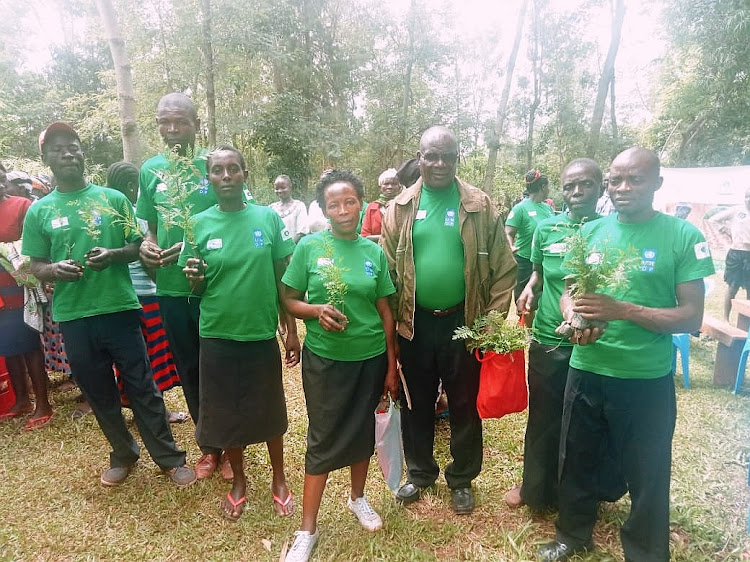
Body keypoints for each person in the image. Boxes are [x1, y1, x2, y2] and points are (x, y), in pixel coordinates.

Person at [537, 147, 715, 562]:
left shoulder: (682, 236)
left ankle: (646, 551)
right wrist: (574, 317)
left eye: (634, 179)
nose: (622, 188)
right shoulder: (590, 233)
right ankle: (572, 534)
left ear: (657, 183)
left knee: (647, 472)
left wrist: (623, 311)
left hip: (645, 378)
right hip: (587, 368)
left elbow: (691, 316)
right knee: (576, 458)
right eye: (616, 179)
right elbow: (568, 292)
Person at [23, 122, 194, 487]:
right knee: (99, 390)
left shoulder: (112, 200)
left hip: (119, 308)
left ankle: (169, 458)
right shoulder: (40, 211)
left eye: (73, 146)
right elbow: (34, 263)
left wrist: (114, 254)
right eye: (57, 149)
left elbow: (138, 246)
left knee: (142, 385)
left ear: (83, 152)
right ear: (45, 158)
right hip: (74, 315)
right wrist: (53, 269)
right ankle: (123, 453)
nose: (67, 153)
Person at [380, 125, 516, 514]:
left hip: (465, 321)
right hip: (415, 323)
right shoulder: (400, 207)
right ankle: (420, 473)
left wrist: (490, 321)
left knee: (463, 402)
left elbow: (505, 270)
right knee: (415, 401)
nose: (439, 163)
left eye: (448, 156)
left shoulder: (479, 205)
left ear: (458, 159)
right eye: (431, 155)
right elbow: (387, 271)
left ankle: (462, 478)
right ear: (419, 158)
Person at [282, 169, 398, 562]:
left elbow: (385, 311)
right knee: (323, 437)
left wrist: (390, 365)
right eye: (335, 204)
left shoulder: (373, 253)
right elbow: (290, 298)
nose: (344, 210)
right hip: (326, 361)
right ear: (324, 209)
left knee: (362, 429)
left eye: (350, 201)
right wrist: (315, 311)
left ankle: (358, 498)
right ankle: (307, 528)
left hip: (369, 358)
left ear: (361, 203)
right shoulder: (310, 247)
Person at [180, 146, 298, 521]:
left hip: (260, 334)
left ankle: (279, 478)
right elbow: (195, 289)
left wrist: (290, 330)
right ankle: (240, 481)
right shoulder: (197, 225)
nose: (226, 175)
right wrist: (194, 279)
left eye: (233, 168)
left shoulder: (267, 219)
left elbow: (284, 280)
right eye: (218, 170)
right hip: (216, 335)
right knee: (226, 412)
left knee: (270, 409)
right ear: (210, 178)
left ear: (245, 173)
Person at [506, 158, 623, 510]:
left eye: (585, 184)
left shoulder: (614, 230)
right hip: (549, 338)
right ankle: (535, 488)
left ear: (600, 186)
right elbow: (540, 274)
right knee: (544, 417)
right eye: (569, 186)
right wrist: (530, 287)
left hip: (596, 343)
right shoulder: (547, 228)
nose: (576, 192)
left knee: (590, 422)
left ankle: (584, 492)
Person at [137, 93, 230, 480]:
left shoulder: (213, 164)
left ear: (195, 123)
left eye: (180, 121)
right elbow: (150, 230)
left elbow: (233, 214)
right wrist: (148, 247)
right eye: (164, 122)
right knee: (190, 367)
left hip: (216, 286)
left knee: (220, 366)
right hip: (173, 290)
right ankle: (210, 447)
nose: (172, 129)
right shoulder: (150, 170)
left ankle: (233, 443)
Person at [106, 162, 185, 423]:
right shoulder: (136, 218)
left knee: (130, 358)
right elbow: (148, 262)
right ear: (132, 186)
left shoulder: (108, 215)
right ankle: (157, 411)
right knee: (151, 357)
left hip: (120, 298)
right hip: (146, 297)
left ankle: (134, 402)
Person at [0, 161, 53, 429]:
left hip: (19, 288)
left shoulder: (22, 206)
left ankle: (43, 403)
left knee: (29, 343)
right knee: (7, 346)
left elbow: (34, 245)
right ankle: (21, 400)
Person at [505, 169, 555, 304]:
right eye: (548, 186)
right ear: (543, 187)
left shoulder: (548, 209)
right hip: (525, 261)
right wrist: (510, 246)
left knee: (542, 299)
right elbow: (508, 233)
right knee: (525, 300)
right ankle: (525, 324)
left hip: (544, 261)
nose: (549, 189)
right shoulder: (520, 208)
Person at [707, 188, 750, 320]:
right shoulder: (737, 210)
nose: (748, 200)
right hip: (736, 253)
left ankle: (746, 324)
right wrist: (726, 230)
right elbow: (713, 219)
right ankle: (725, 319)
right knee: (733, 286)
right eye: (747, 196)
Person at [360, 168, 402, 241]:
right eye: (386, 184)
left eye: (394, 184)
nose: (390, 187)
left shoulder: (404, 204)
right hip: (376, 250)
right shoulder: (372, 207)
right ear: (380, 187)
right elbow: (365, 235)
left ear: (399, 186)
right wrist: (387, 237)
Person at [269, 174, 309, 244]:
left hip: (295, 250)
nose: (280, 191)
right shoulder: (271, 208)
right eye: (277, 188)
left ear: (290, 187)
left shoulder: (299, 206)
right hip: (275, 251)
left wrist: (288, 249)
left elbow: (301, 232)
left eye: (283, 187)